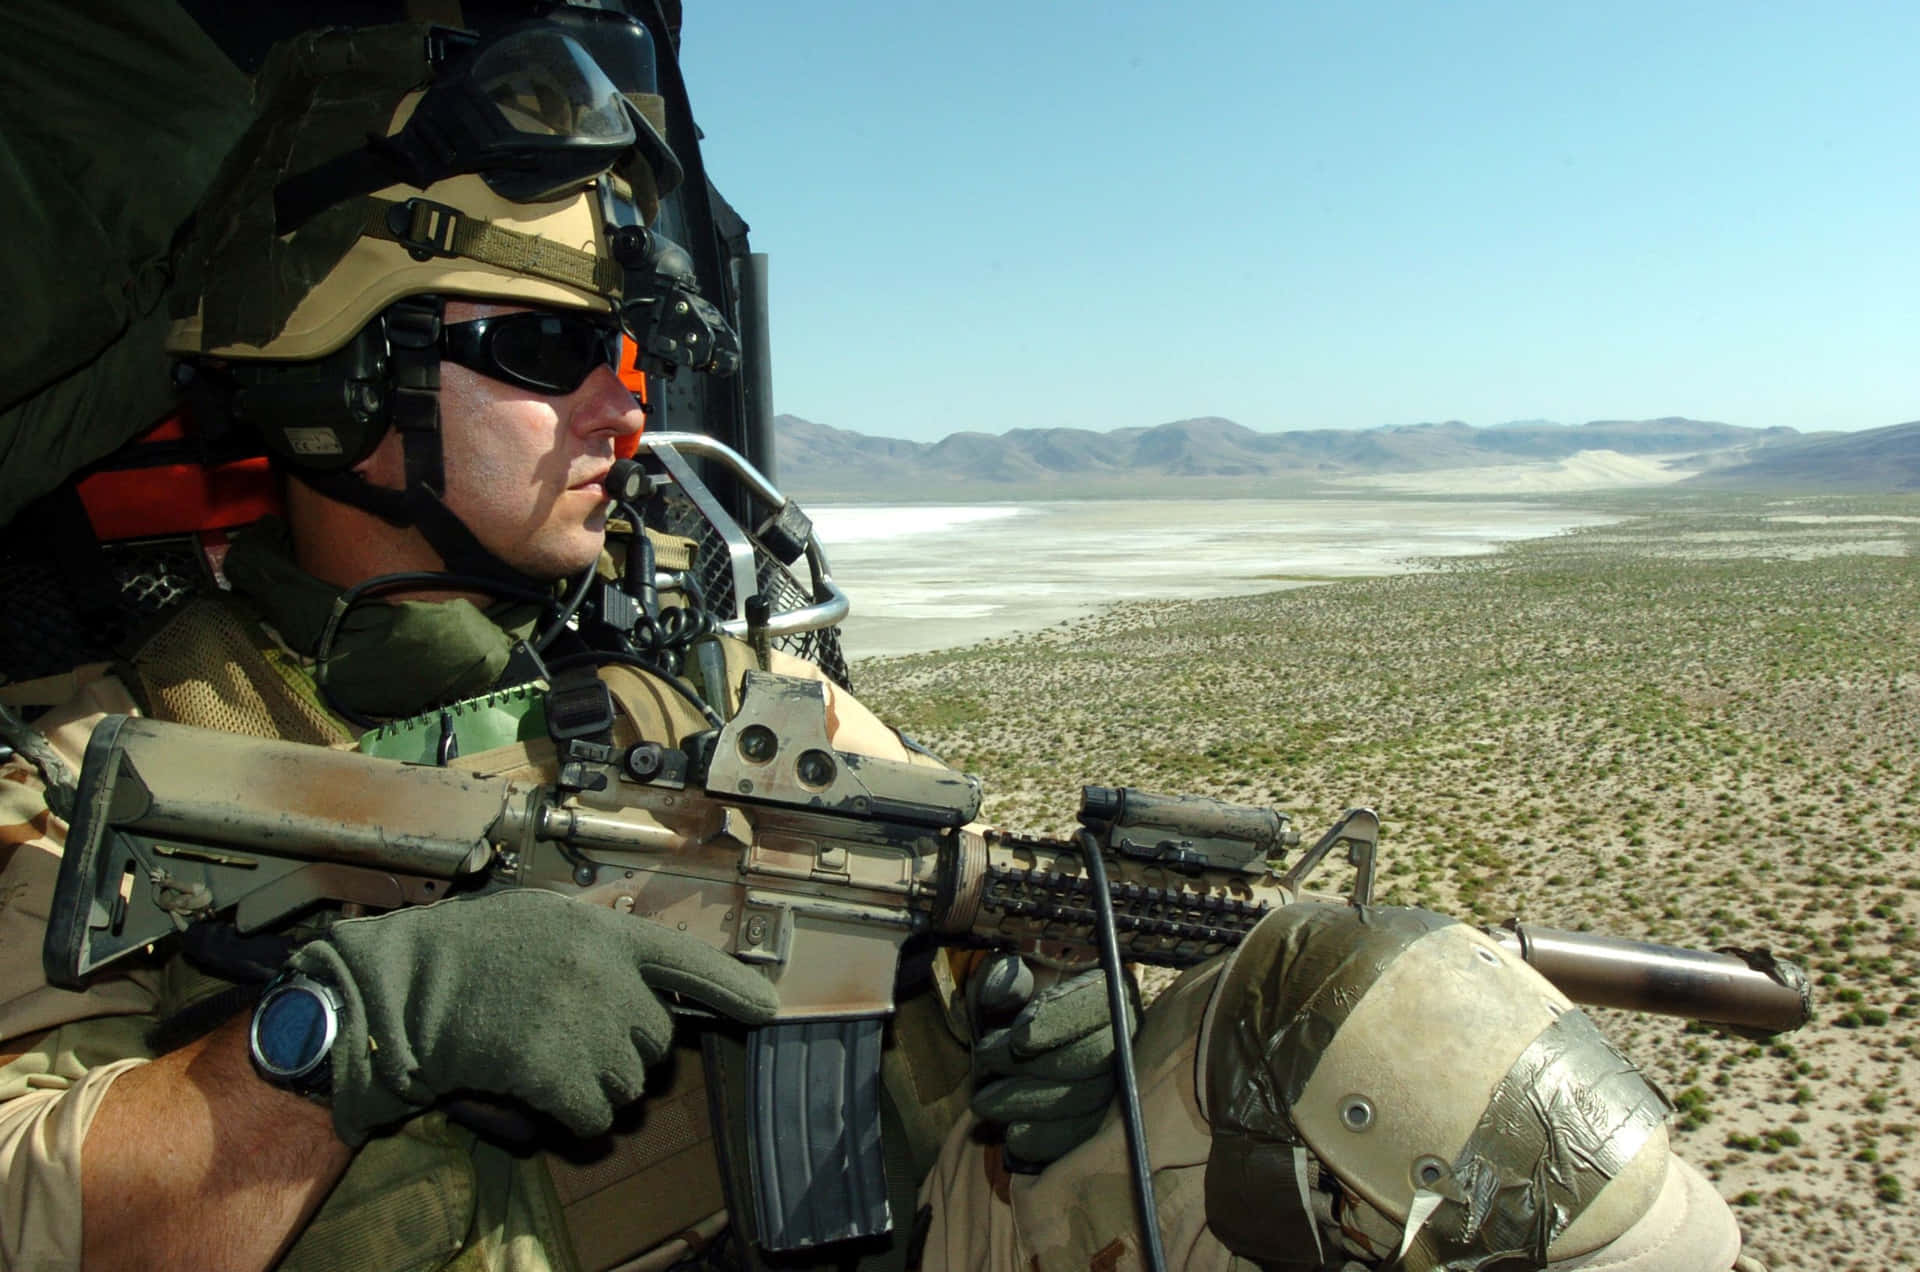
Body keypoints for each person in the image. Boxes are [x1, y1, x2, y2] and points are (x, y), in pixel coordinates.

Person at [0, 13, 1761, 1272]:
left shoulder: (692, 688)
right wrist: (349, 1033)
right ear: (342, 372)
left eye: (627, 361)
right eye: (546, 358)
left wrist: (1071, 1000)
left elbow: (947, 890)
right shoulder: (95, 764)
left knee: (1381, 1027)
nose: (622, 416)